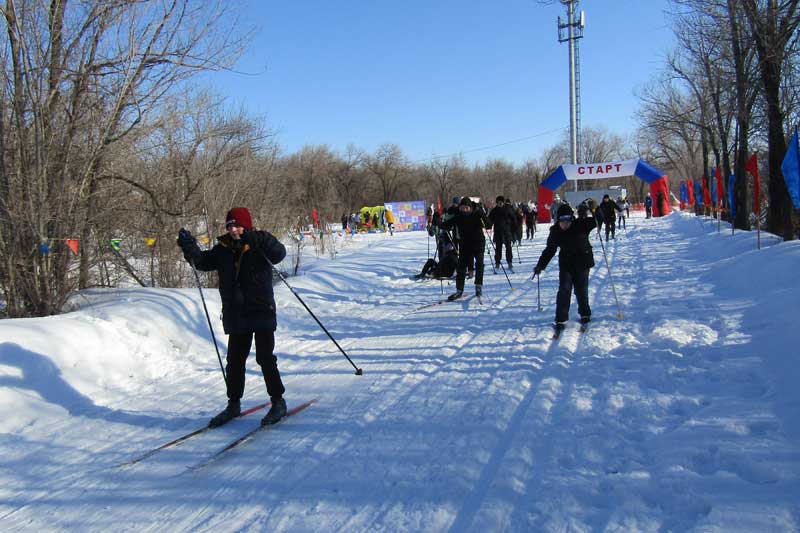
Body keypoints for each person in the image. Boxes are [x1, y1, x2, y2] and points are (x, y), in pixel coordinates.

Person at [176, 207, 289, 428]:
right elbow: (201, 262)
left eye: (238, 226)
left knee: (265, 358)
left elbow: (279, 253)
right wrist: (189, 247)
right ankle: (233, 404)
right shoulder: (223, 249)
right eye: (230, 226)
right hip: (237, 314)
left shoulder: (259, 243)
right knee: (235, 362)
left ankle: (278, 402)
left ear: (246, 226)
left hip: (261, 310)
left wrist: (260, 238)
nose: (234, 230)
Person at [533, 203, 597, 332]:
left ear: (572, 219)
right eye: (562, 220)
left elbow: (599, 220)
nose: (565, 223)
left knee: (581, 290)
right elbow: (549, 250)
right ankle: (561, 318)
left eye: (567, 220)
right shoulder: (555, 231)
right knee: (564, 290)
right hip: (566, 264)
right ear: (558, 220)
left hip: (583, 262)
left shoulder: (581, 224)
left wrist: (594, 208)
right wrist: (540, 265)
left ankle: (585, 313)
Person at [440, 197, 490, 299]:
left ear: (470, 208)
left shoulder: (477, 214)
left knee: (479, 263)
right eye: (462, 208)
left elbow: (488, 225)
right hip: (465, 243)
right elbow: (447, 225)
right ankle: (459, 290)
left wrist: (482, 216)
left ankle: (478, 285)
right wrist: (438, 223)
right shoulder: (459, 216)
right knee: (461, 267)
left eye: (466, 208)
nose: (464, 210)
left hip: (478, 242)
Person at [488, 195, 514, 270]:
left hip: (507, 231)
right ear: (497, 203)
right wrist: (488, 224)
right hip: (498, 231)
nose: (500, 204)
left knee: (508, 247)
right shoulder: (494, 210)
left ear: (503, 202)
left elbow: (514, 218)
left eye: (501, 202)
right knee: (498, 248)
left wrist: (512, 227)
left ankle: (509, 262)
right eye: (498, 202)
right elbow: (490, 220)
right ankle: (497, 262)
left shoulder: (507, 209)